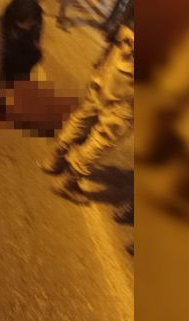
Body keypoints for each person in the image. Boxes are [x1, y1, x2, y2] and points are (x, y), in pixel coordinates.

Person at [40, 4, 134, 204]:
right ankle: (69, 180)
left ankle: (55, 158)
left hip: (122, 43)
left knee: (90, 108)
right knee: (109, 129)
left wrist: (114, 34)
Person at [0, 0, 44, 90]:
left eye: (30, 22)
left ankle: (14, 79)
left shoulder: (36, 22)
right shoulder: (1, 22)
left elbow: (34, 49)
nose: (27, 26)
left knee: (34, 55)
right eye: (25, 22)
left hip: (13, 54)